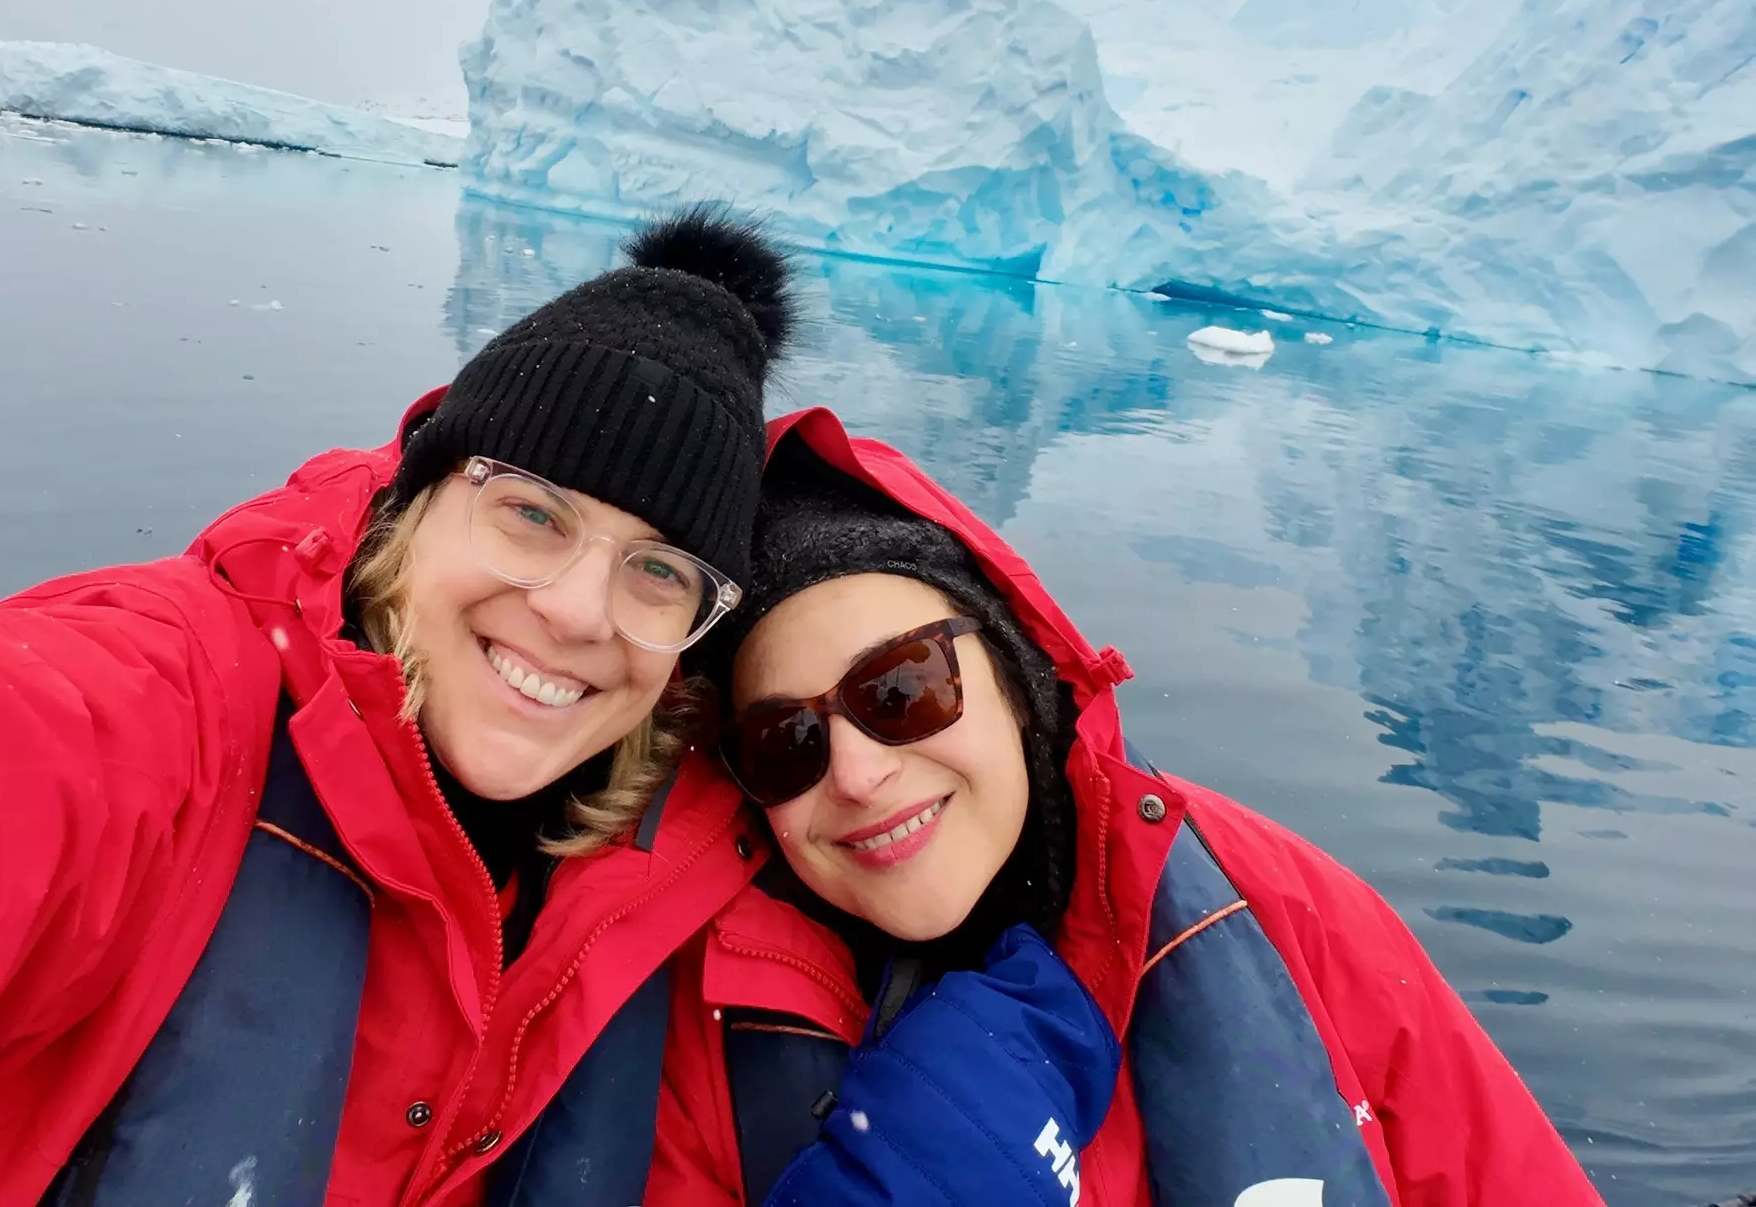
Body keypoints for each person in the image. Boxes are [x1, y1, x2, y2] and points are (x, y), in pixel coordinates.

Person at [0, 206, 800, 1207]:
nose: (573, 609)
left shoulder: (677, 873)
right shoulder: (183, 704)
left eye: (660, 572)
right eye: (529, 512)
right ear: (412, 504)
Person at [656, 406, 1606, 1207]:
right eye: (786, 744)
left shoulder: (1285, 914)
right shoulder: (686, 1028)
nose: (857, 775)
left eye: (902, 688)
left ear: (1017, 678)